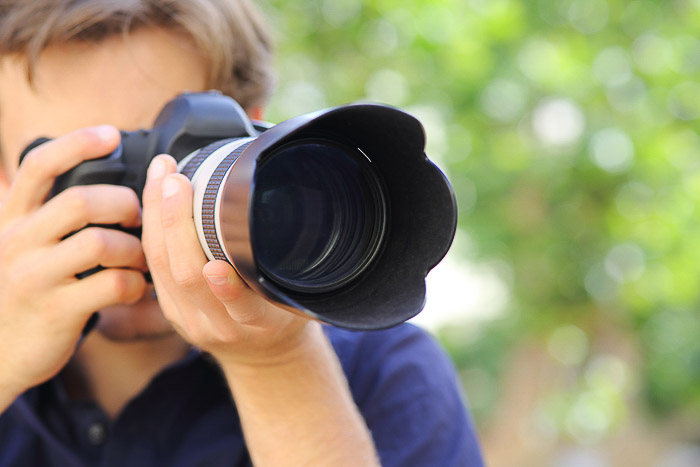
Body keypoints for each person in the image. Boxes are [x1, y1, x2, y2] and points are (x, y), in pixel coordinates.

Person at [0, 1, 484, 466]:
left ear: (251, 136)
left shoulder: (385, 370)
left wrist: (276, 363)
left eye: (168, 150)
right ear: (4, 177)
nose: (144, 205)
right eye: (83, 169)